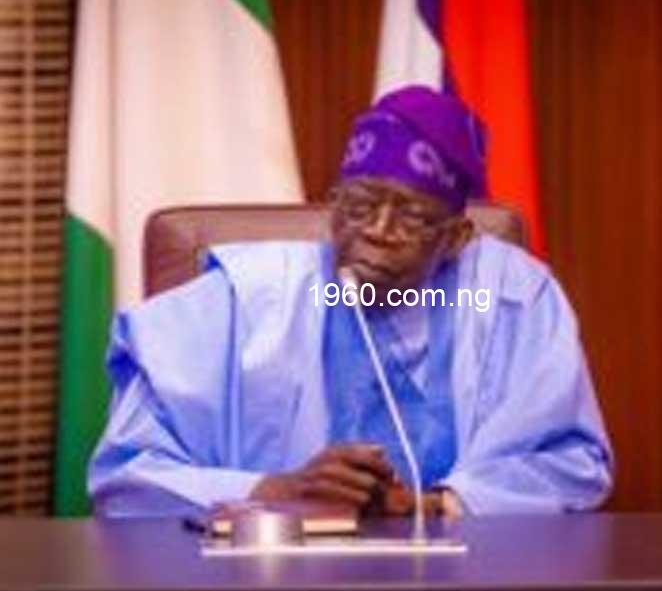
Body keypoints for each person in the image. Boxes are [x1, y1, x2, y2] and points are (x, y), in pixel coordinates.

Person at [88, 85, 613, 518]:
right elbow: (125, 476)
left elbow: (572, 463)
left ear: (456, 238)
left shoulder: (514, 298)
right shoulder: (243, 297)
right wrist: (275, 490)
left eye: (412, 217)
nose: (378, 231)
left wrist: (432, 504)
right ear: (332, 208)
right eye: (358, 208)